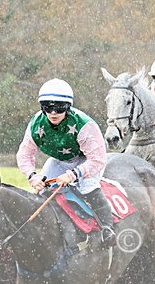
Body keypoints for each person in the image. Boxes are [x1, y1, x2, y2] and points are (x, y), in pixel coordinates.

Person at [16, 78, 116, 247]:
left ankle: (107, 229)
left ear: (68, 107)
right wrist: (33, 176)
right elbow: (24, 155)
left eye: (59, 108)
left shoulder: (84, 125)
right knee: (42, 189)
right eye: (48, 107)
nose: (53, 113)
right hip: (60, 159)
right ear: (42, 107)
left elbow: (98, 160)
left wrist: (73, 175)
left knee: (88, 187)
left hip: (88, 160)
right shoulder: (35, 124)